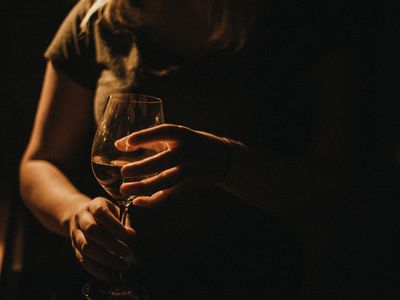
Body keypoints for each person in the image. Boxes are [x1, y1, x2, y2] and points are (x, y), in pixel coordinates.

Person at [19, 0, 374, 298]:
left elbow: (335, 188)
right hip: (131, 282)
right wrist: (74, 213)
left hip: (257, 282)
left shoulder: (300, 16)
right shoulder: (96, 17)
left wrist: (222, 161)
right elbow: (40, 161)